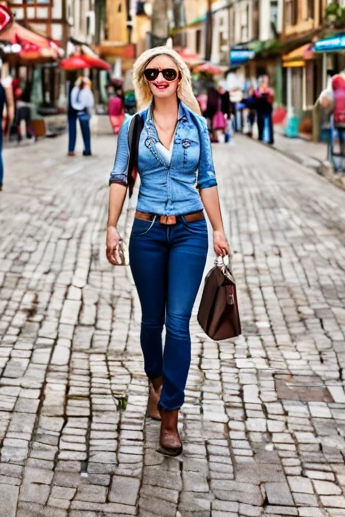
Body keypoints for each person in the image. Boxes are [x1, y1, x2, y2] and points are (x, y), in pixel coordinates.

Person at [105, 46, 232, 457]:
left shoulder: (196, 125)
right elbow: (120, 177)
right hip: (146, 230)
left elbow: (207, 178)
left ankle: (170, 415)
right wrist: (111, 227)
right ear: (146, 79)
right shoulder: (134, 125)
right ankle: (155, 381)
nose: (161, 79)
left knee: (177, 323)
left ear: (180, 78)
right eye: (153, 73)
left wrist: (218, 228)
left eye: (169, 73)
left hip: (190, 233)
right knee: (151, 321)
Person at [68, 76, 95, 156]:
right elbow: (90, 104)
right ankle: (87, 150)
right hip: (83, 113)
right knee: (85, 133)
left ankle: (71, 149)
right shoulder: (87, 91)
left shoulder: (75, 90)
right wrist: (90, 115)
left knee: (73, 131)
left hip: (75, 112)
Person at [255, 75, 275, 145]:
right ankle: (262, 137)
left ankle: (268, 139)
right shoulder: (258, 89)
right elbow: (256, 97)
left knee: (267, 124)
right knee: (261, 124)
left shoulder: (269, 89)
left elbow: (272, 99)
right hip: (261, 110)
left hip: (267, 110)